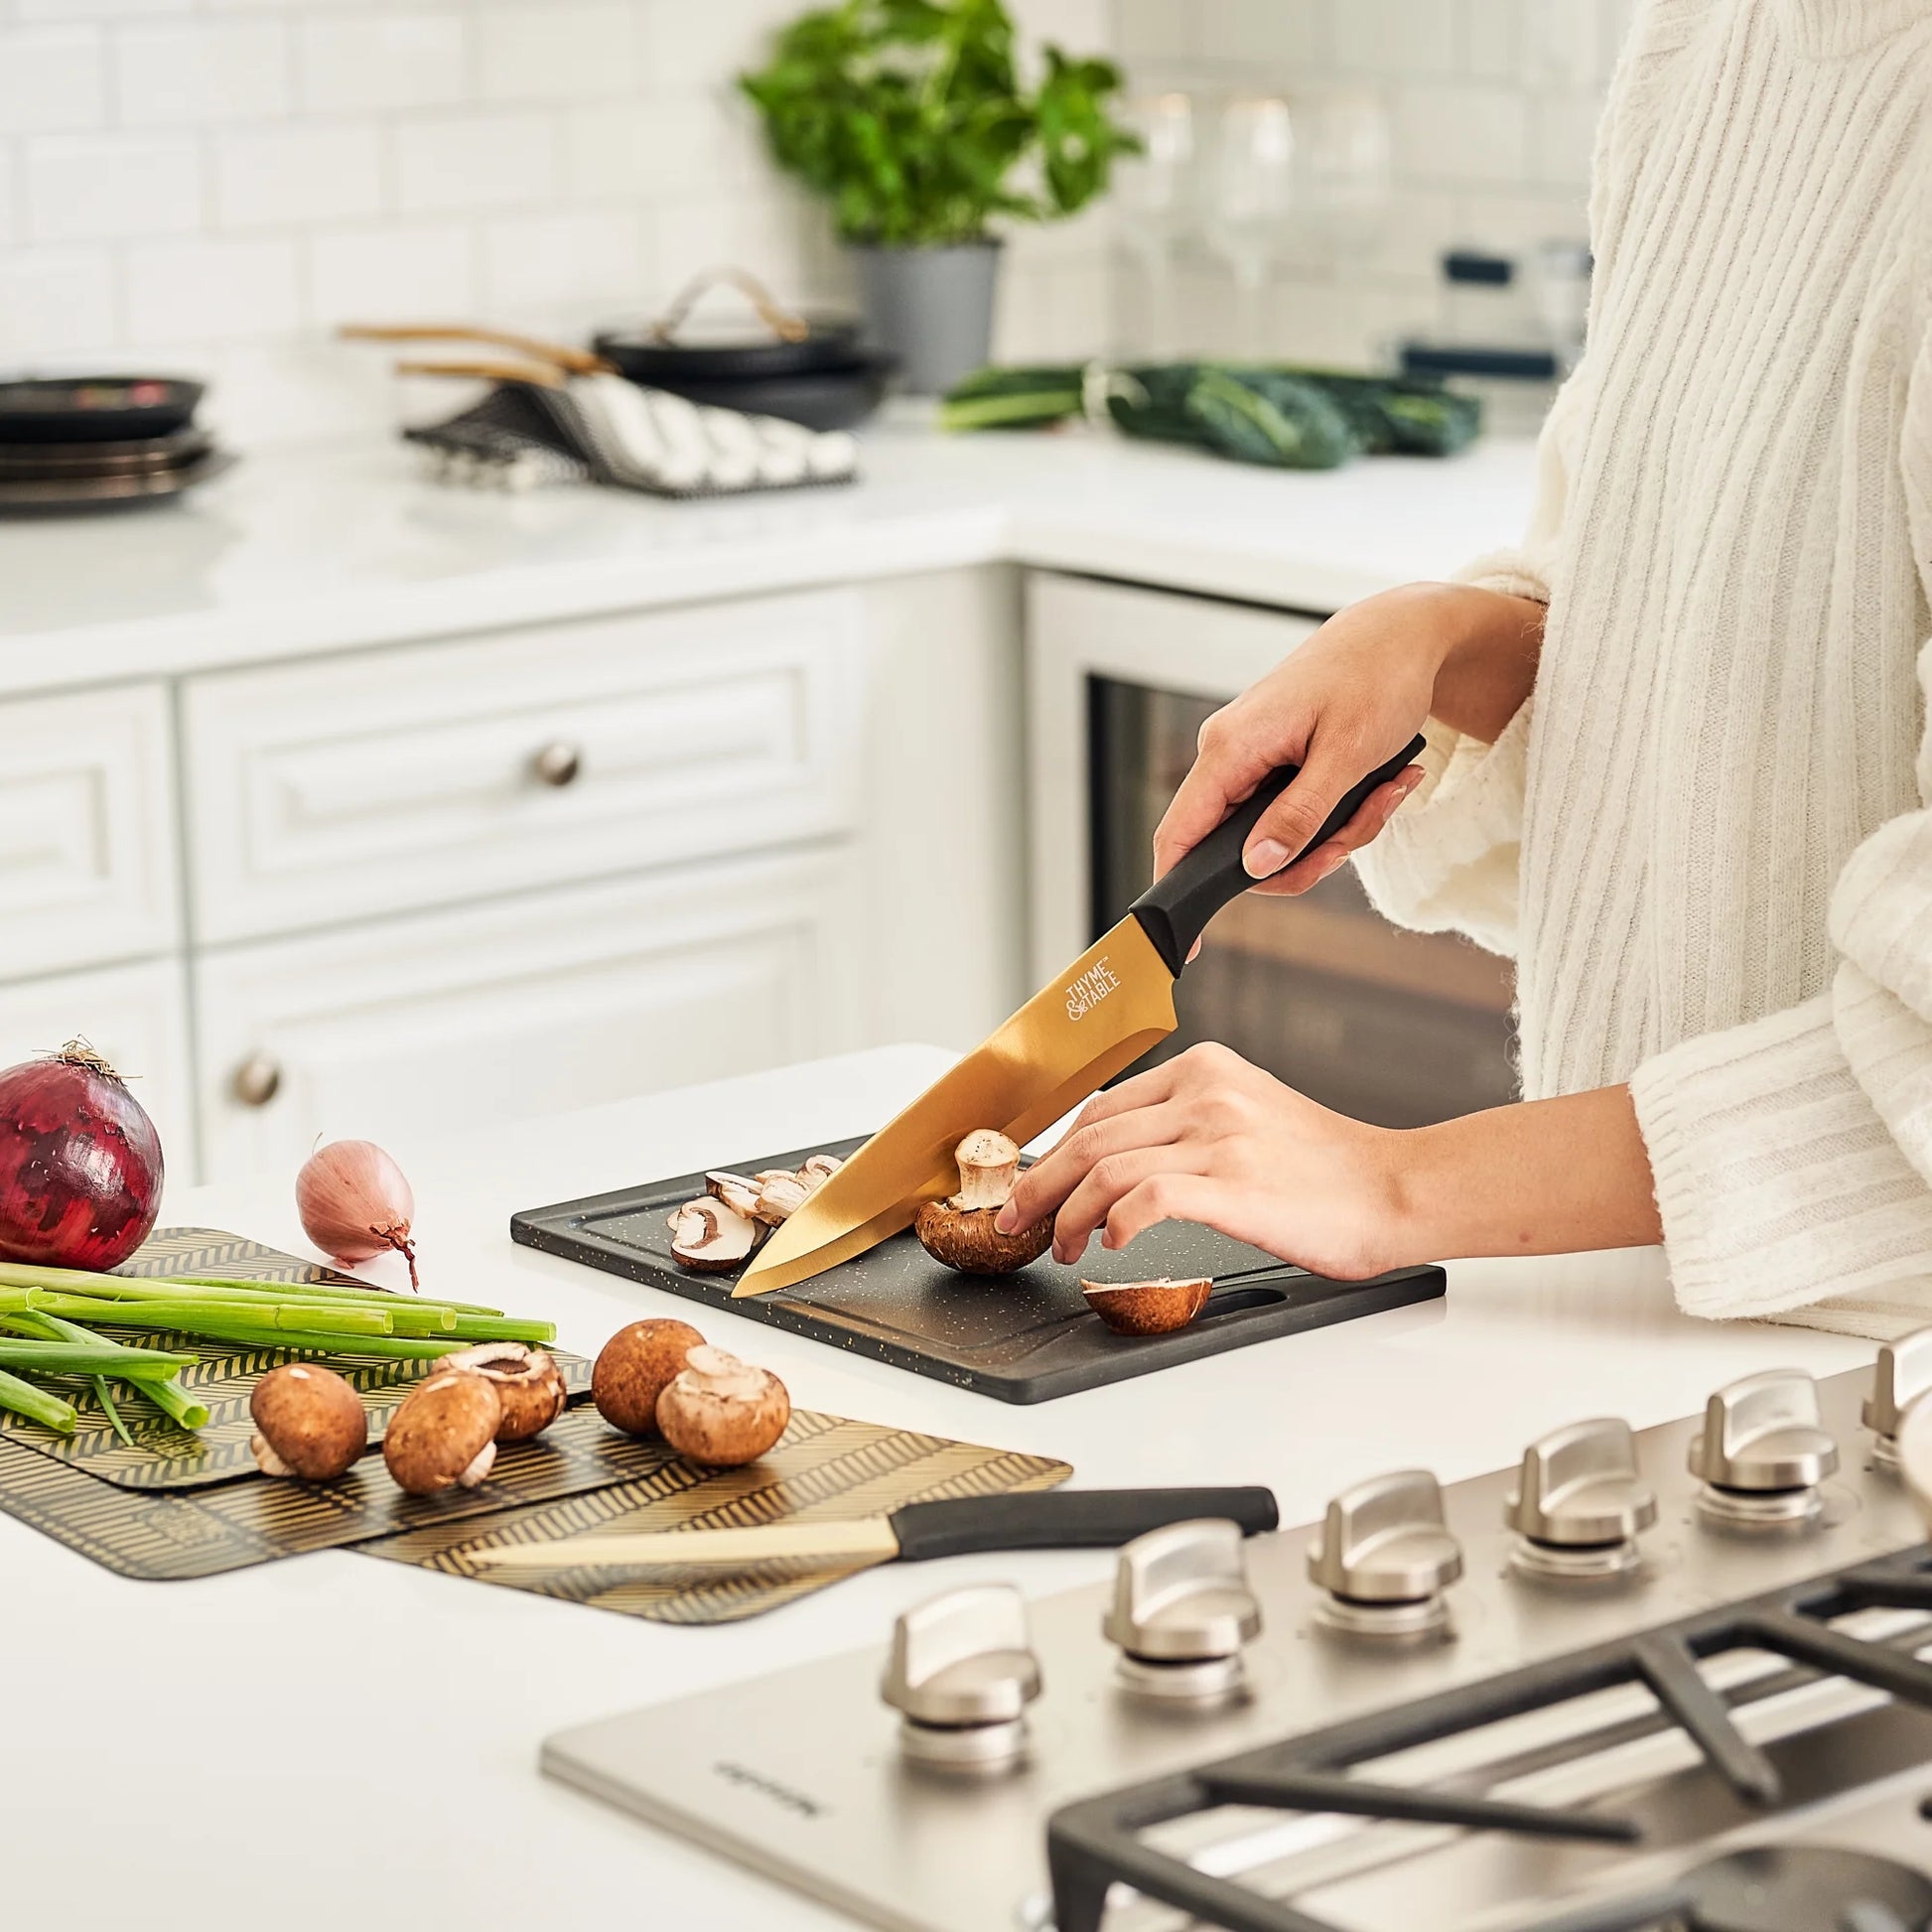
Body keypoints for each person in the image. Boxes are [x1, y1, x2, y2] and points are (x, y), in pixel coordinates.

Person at [999, 0, 1932, 1323]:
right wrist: (1452, 645)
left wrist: (1390, 1184)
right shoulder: (1705, 37)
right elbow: (1729, 625)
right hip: (1626, 1318)